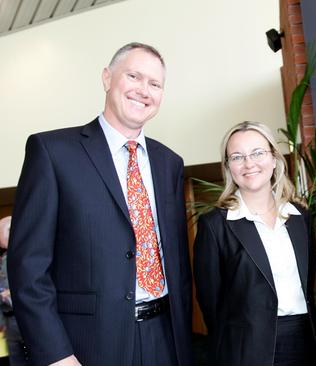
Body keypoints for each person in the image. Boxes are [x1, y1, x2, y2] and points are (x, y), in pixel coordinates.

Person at [8, 42, 193, 366]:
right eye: (133, 76)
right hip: (88, 347)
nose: (143, 90)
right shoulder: (53, 153)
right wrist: (56, 355)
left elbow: (176, 262)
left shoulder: (170, 164)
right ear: (107, 78)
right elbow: (28, 269)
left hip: (167, 339)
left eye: (155, 84)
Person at [193, 121, 316, 366]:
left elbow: (308, 289)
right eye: (237, 156)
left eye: (257, 153)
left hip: (305, 343)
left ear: (274, 159)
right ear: (228, 167)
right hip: (247, 351)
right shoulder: (214, 226)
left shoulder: (299, 217)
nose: (249, 163)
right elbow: (212, 308)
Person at [0, 216, 26, 365]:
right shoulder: (4, 259)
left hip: (23, 318)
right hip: (10, 322)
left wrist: (10, 293)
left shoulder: (24, 258)